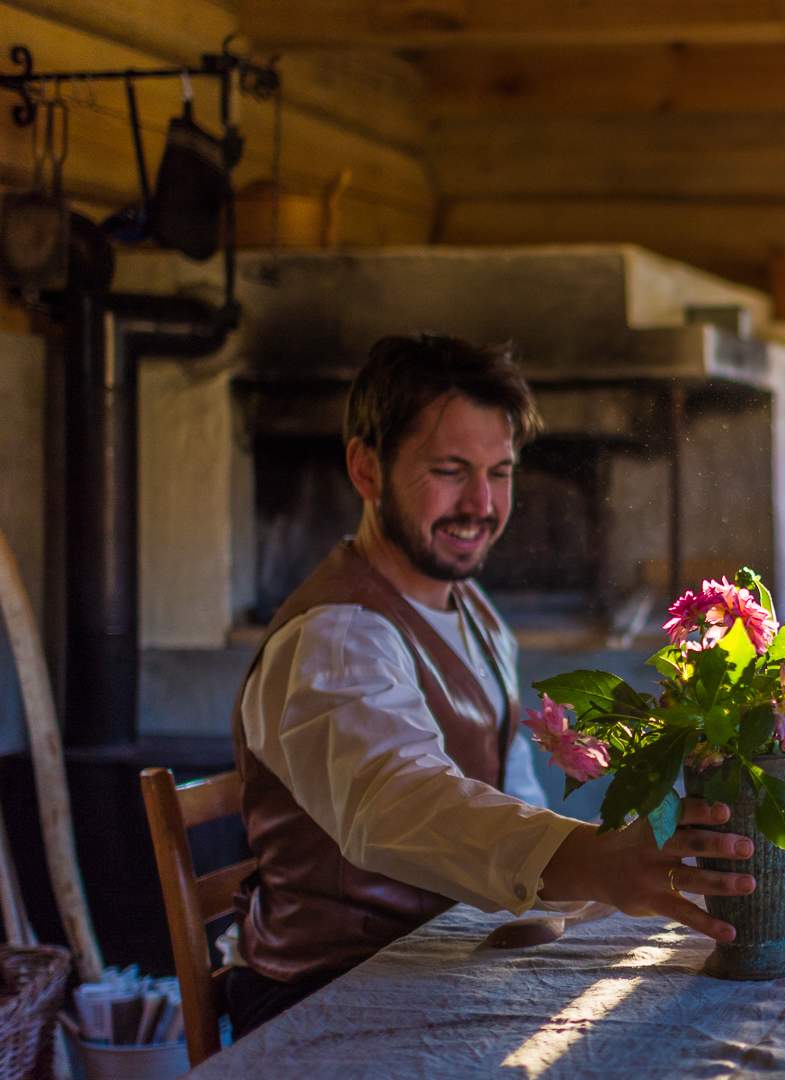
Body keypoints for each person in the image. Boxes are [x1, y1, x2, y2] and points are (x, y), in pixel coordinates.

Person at [226, 335, 755, 1036]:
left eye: (499, 472)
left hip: (446, 963)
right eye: (449, 471)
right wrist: (588, 861)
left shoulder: (473, 613)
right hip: (331, 997)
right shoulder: (334, 638)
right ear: (365, 468)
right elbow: (396, 798)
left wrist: (585, 886)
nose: (481, 503)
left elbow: (511, 794)